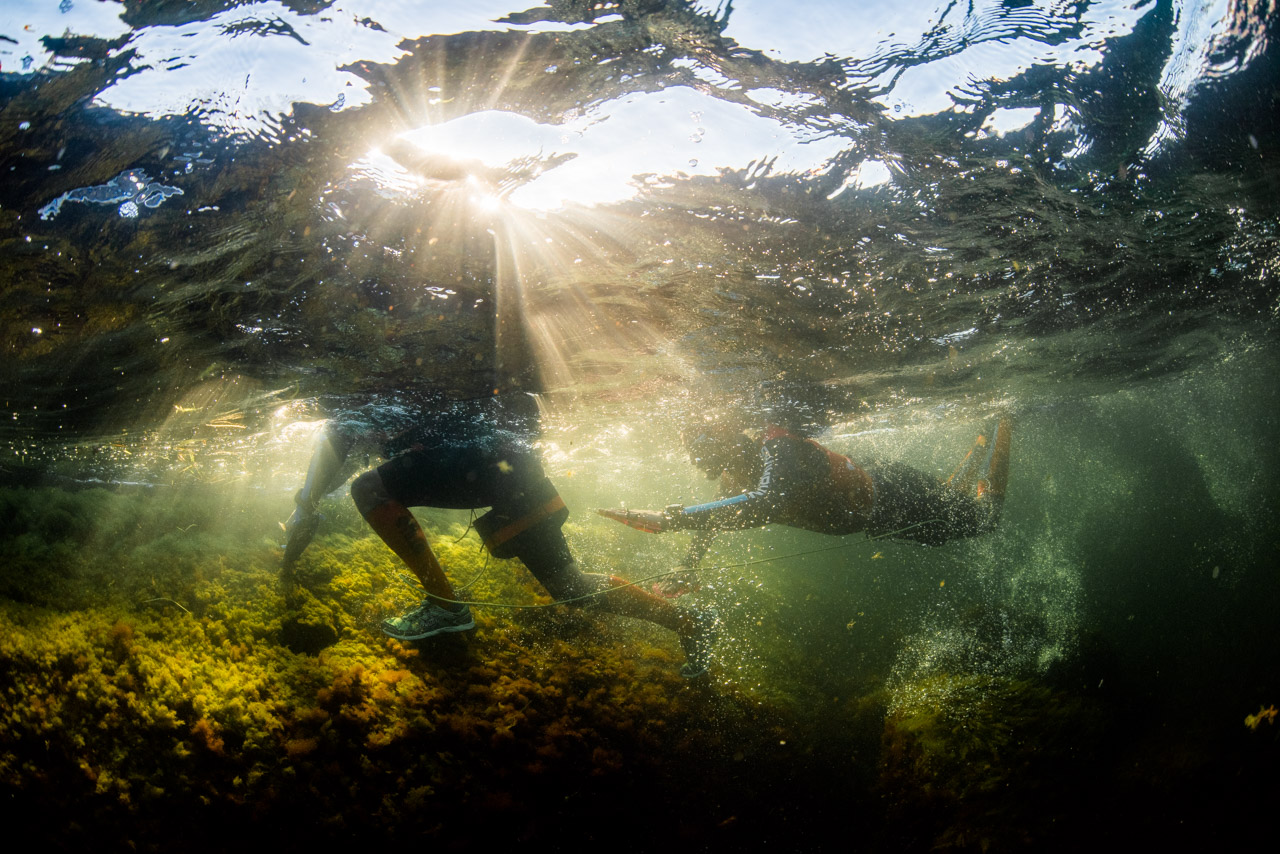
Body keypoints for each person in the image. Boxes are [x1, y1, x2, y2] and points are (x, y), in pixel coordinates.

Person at [283, 391, 718, 679]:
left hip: (490, 463)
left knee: (368, 488)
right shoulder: (409, 396)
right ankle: (692, 622)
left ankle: (445, 605)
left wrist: (305, 506)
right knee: (569, 585)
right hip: (517, 468)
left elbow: (336, 443)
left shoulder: (357, 406)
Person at [599, 416, 1011, 596]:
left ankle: (1005, 422)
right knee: (951, 514)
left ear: (725, 431)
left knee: (985, 519)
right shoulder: (737, 474)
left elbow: (765, 503)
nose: (693, 457)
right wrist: (688, 568)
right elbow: (721, 517)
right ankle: (979, 443)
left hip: (891, 491)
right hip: (880, 516)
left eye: (699, 445)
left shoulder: (778, 446)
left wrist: (670, 520)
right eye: (690, 448)